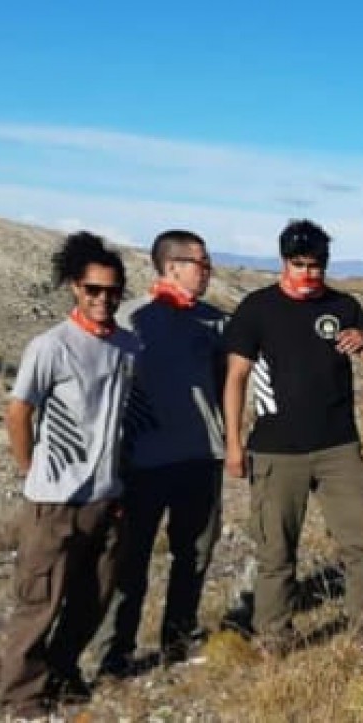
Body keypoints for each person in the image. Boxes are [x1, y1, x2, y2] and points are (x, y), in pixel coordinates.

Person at [222, 219, 363, 654]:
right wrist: (233, 444)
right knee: (276, 549)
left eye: (316, 265)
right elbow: (236, 377)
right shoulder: (258, 308)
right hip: (276, 450)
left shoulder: (343, 306)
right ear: (284, 262)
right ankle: (274, 634)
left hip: (338, 447)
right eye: (299, 264)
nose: (308, 273)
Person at [0, 232, 141, 718]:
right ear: (75, 288)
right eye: (93, 289)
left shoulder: (127, 346)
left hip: (106, 496)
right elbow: (19, 411)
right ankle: (22, 694)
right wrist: (31, 471)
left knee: (92, 596)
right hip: (55, 500)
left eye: (112, 291)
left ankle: (63, 672)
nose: (103, 299)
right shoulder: (51, 346)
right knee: (40, 600)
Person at [94, 230, 226, 677]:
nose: (207, 272)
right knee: (130, 562)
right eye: (201, 264)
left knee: (195, 555)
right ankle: (115, 654)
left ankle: (178, 639)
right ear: (172, 267)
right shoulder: (129, 320)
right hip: (142, 463)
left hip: (201, 457)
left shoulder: (214, 323)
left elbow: (227, 382)